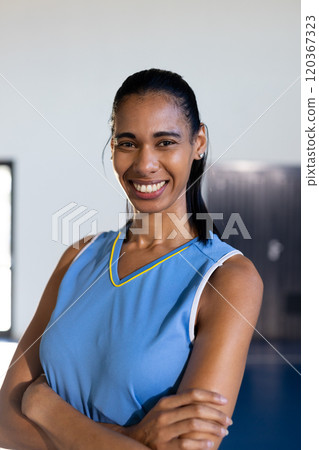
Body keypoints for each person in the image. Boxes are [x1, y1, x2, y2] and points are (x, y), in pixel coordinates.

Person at [0, 68, 263, 450]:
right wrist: (131, 439)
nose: (144, 164)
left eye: (165, 142)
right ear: (112, 148)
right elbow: (4, 423)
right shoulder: (78, 257)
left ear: (199, 142)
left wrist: (44, 407)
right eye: (128, 143)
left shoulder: (228, 279)